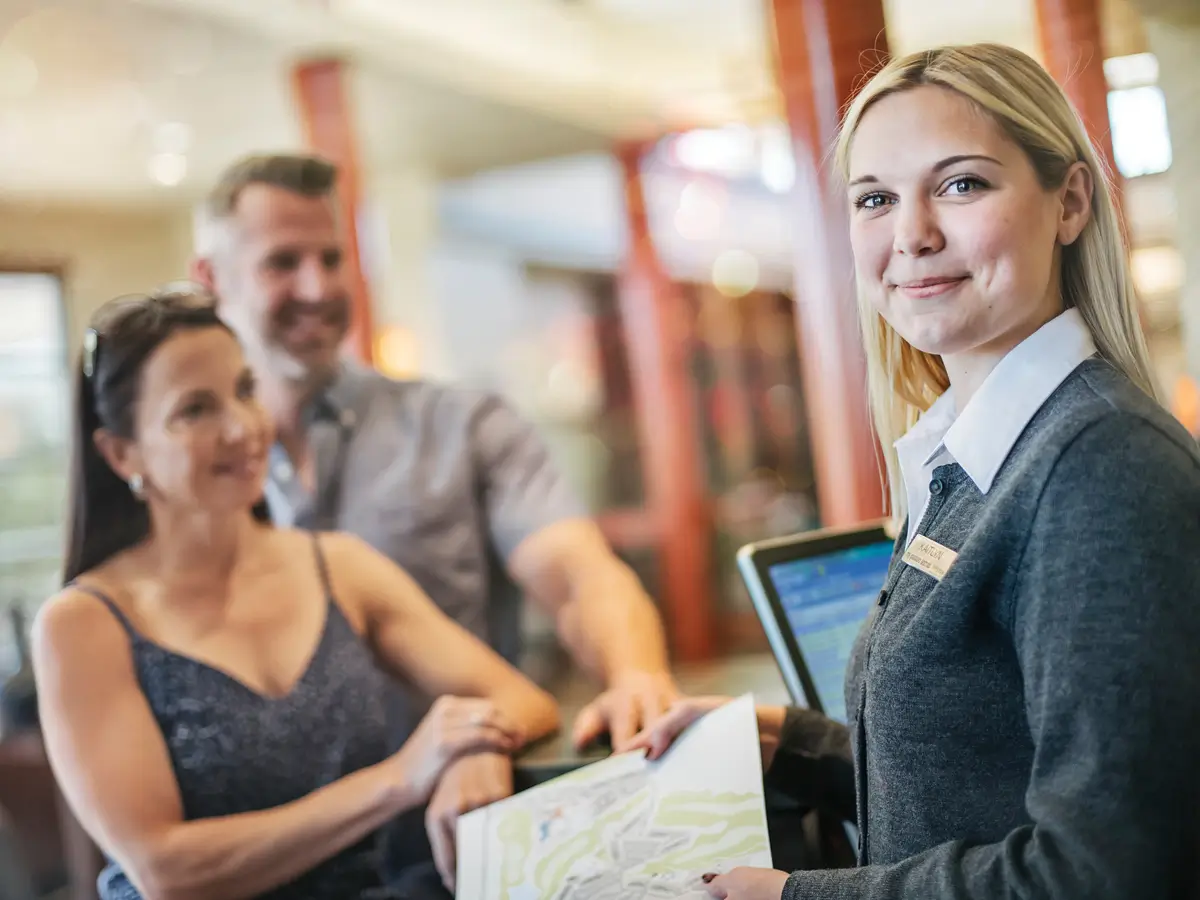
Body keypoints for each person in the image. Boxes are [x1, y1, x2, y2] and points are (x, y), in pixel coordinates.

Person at [631, 43, 1200, 900]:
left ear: (1070, 202)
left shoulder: (1098, 471)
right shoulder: (973, 456)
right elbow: (980, 764)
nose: (912, 235)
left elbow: (1103, 872)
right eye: (876, 199)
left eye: (962, 184)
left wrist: (794, 898)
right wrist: (792, 744)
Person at [188, 152, 678, 888]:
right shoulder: (177, 474)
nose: (317, 288)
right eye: (282, 263)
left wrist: (635, 672)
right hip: (267, 867)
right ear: (211, 280)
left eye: (331, 258)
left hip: (455, 852)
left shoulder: (462, 425)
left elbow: (576, 577)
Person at [31, 289, 561, 900]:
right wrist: (399, 779)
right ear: (121, 452)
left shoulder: (339, 565)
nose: (242, 427)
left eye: (245, 390)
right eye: (196, 409)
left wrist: (474, 749)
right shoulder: (84, 624)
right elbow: (167, 870)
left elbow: (520, 699)